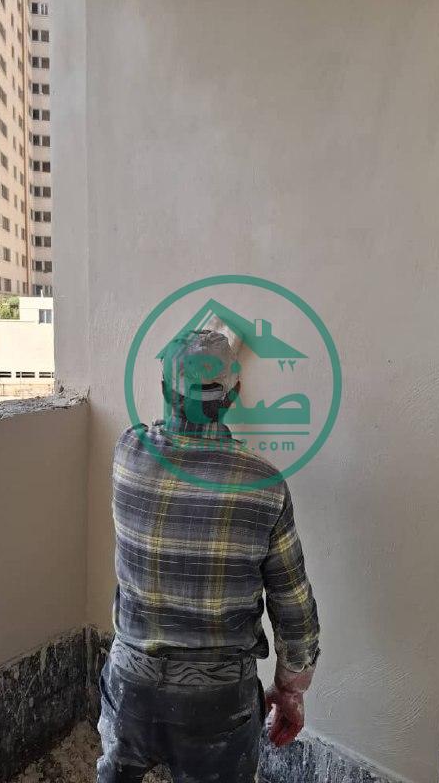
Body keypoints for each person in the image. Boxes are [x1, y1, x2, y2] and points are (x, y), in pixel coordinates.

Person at [97, 329, 320, 783]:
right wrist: (290, 690)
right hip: (218, 703)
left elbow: (161, 422)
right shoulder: (265, 487)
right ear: (234, 396)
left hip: (131, 684)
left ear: (164, 390)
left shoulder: (128, 454)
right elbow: (293, 609)